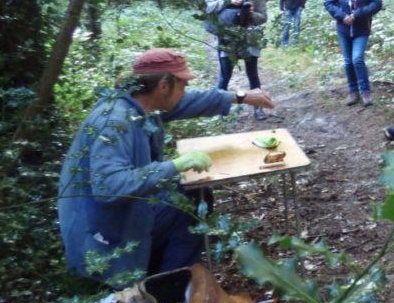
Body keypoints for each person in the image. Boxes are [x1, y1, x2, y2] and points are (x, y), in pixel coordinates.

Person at [57, 49, 274, 284]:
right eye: (182, 86)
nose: (184, 92)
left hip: (122, 215)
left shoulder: (139, 104)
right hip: (101, 236)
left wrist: (241, 96)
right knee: (189, 203)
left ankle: (166, 272)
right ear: (163, 86)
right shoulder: (114, 122)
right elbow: (109, 187)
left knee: (194, 194)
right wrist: (174, 166)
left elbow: (192, 102)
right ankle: (167, 288)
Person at [205, 0, 269, 120]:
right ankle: (218, 111)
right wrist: (228, 1)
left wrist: (250, 14)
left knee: (253, 74)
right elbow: (207, 9)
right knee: (225, 75)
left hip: (249, 39)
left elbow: (263, 16)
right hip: (227, 39)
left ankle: (258, 108)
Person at [324, 0, 383, 106]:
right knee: (348, 61)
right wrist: (342, 15)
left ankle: (365, 91)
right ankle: (352, 91)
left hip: (361, 28)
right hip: (343, 28)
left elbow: (376, 3)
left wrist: (357, 14)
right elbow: (329, 2)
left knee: (357, 58)